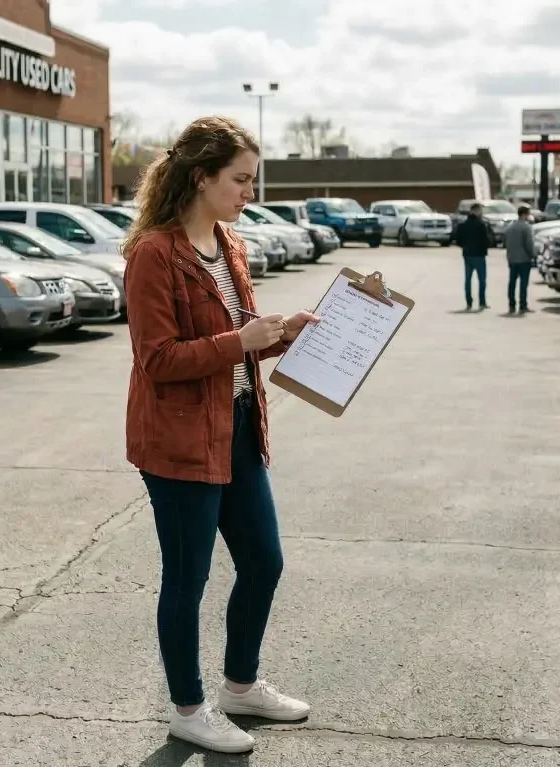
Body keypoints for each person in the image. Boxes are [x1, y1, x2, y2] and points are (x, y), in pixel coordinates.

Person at [121, 115, 320, 754]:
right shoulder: (154, 254)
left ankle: (240, 686)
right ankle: (188, 708)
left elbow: (234, 350)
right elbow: (158, 360)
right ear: (201, 176)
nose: (248, 193)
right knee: (187, 579)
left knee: (264, 561)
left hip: (236, 426)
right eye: (239, 179)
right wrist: (242, 339)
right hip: (177, 442)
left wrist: (280, 332)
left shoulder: (229, 244)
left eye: (252, 180)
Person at [456, 202, 491, 310]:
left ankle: (469, 302)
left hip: (467, 254)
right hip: (479, 255)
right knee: (482, 280)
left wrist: (465, 246)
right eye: (480, 210)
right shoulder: (481, 225)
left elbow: (458, 240)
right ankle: (482, 302)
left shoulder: (463, 225)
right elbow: (487, 240)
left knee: (468, 280)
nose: (481, 212)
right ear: (475, 211)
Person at [504, 204, 537, 314]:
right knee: (523, 284)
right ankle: (523, 305)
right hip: (524, 259)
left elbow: (506, 243)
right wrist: (533, 255)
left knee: (512, 283)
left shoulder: (510, 227)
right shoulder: (526, 227)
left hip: (512, 259)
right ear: (524, 214)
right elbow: (529, 244)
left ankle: (511, 305)